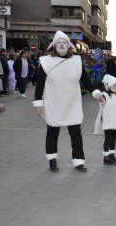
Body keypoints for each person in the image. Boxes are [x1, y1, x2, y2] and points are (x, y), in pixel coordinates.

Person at [33, 31, 104, 172]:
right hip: (54, 103)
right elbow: (40, 84)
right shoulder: (46, 62)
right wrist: (38, 102)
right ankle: (52, 160)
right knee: (52, 132)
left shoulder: (76, 61)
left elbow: (85, 80)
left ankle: (78, 161)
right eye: (58, 42)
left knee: (76, 133)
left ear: (68, 45)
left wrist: (96, 93)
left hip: (72, 103)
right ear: (53, 45)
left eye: (64, 42)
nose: (61, 44)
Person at [93, 74, 116, 165]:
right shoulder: (104, 95)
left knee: (113, 139)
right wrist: (100, 98)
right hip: (108, 121)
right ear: (108, 86)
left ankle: (112, 155)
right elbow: (102, 101)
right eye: (115, 85)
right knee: (108, 139)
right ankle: (106, 157)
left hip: (115, 121)